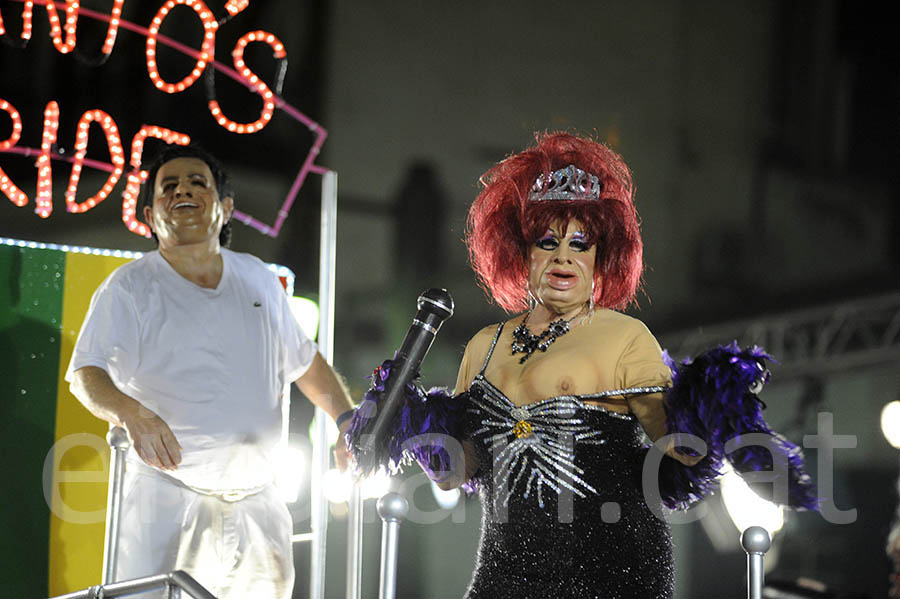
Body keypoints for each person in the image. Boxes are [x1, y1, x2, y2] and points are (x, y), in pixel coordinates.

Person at [347, 131, 814, 598]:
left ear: (602, 256)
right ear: (520, 253)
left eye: (581, 242)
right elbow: (462, 471)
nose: (563, 256)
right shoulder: (484, 347)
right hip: (504, 576)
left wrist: (713, 401)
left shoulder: (626, 338)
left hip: (614, 573)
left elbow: (681, 453)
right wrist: (411, 421)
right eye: (547, 242)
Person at [66, 144, 354, 598]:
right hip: (167, 500)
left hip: (261, 503)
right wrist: (132, 414)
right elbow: (86, 374)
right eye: (169, 186)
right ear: (149, 212)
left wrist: (346, 420)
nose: (183, 190)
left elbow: (306, 363)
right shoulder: (129, 287)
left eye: (198, 182)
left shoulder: (258, 277)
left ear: (225, 209)